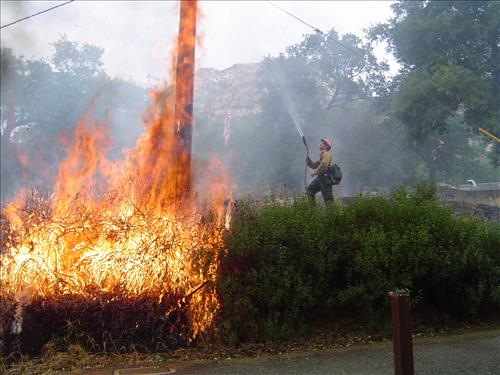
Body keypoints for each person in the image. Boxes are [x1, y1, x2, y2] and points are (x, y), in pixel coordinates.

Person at [305, 138, 334, 204]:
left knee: (329, 200)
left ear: (327, 146)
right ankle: (313, 210)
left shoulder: (326, 154)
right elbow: (314, 165)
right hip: (320, 178)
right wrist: (308, 160)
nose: (321, 143)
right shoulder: (322, 155)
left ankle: (333, 213)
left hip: (326, 179)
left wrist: (315, 173)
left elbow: (324, 166)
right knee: (309, 190)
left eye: (323, 143)